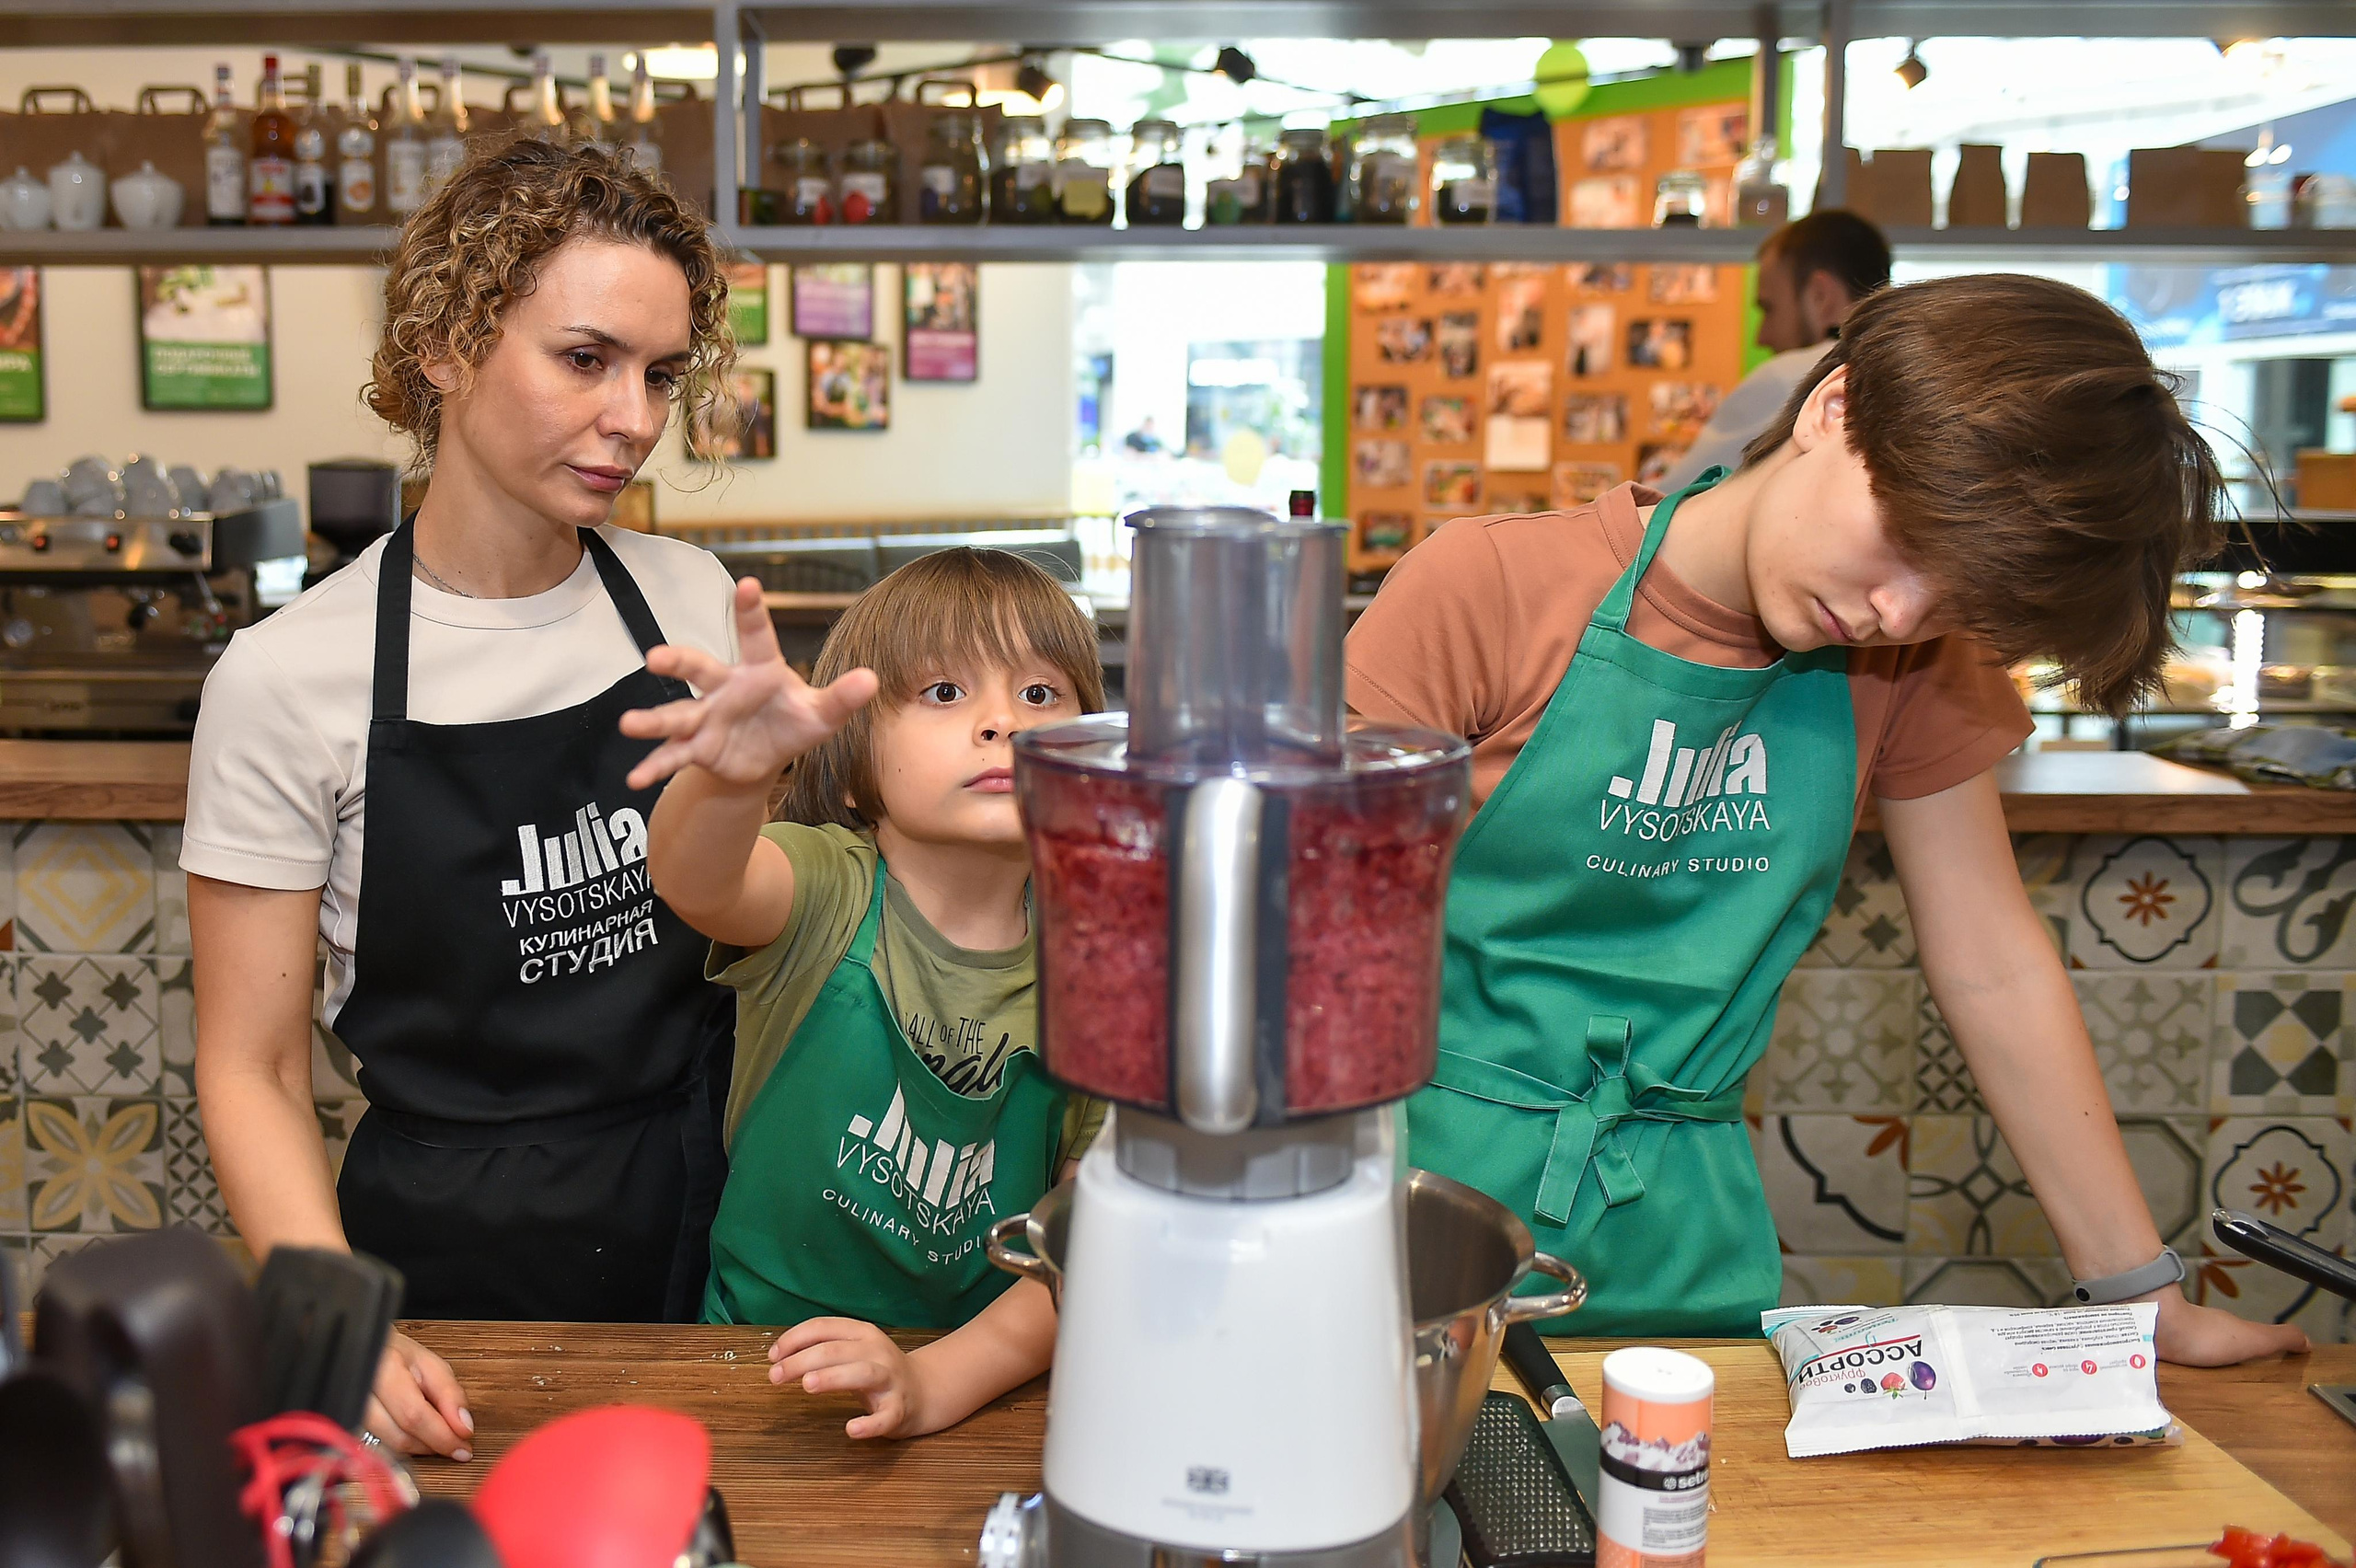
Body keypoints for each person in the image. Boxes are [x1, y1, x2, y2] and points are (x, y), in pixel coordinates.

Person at [1347, 272, 2307, 1366]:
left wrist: (2143, 1297)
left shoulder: (1909, 668)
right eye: (1904, 540)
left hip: (1687, 1250)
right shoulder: (1487, 591)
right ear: (1831, 408)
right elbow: (1310, 945)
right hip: (1407, 1230)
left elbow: (1993, 965)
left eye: (1955, 597)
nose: (1897, 610)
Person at [187, 139, 743, 1461]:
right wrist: (340, 1314)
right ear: (442, 343)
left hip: (703, 1211)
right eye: (586, 358)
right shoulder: (287, 680)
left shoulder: (689, 602)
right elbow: (249, 1064)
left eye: (661, 375)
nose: (637, 419)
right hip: (439, 1266)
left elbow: (751, 915)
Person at [621, 548, 1108, 1439]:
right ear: (850, 768)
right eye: (945, 693)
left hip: (975, 1382)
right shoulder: (828, 888)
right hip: (756, 1369)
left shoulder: (1106, 970)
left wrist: (928, 1384)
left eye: (1040, 694)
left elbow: (1078, 1254)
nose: (1003, 721)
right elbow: (694, 878)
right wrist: (731, 774)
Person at [1657, 210, 1889, 491]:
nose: (1761, 337)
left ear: (1820, 296)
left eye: (1769, 308)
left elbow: (1666, 505)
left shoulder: (1790, 378)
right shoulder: (1901, 378)